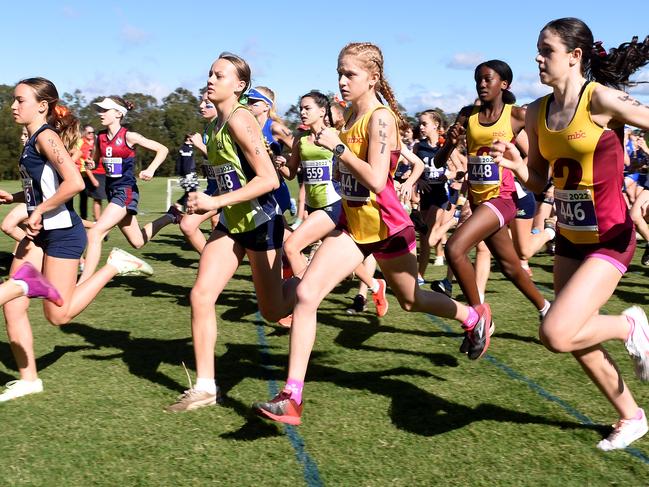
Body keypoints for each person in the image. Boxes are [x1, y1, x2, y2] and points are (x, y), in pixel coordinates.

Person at [253, 42, 491, 426]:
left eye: (351, 74)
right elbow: (345, 177)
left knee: (412, 300)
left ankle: (471, 317)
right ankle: (292, 395)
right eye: (340, 73)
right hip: (353, 227)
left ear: (372, 78)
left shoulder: (379, 118)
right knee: (307, 293)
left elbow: (378, 179)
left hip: (387, 227)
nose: (343, 81)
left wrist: (339, 149)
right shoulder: (346, 118)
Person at [491, 18, 649, 451]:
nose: (538, 58)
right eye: (538, 49)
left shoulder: (598, 99)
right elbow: (542, 179)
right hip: (571, 237)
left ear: (575, 56)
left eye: (547, 50)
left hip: (611, 236)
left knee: (557, 333)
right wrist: (516, 165)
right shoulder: (539, 111)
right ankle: (631, 416)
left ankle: (628, 325)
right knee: (576, 339)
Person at [0, 78, 153, 402]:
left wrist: (38, 210)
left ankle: (114, 265)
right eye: (13, 100)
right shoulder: (31, 140)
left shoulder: (46, 137)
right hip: (39, 233)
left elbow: (73, 183)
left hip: (61, 234)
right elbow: (43, 188)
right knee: (12, 305)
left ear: (42, 105)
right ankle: (29, 380)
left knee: (58, 315)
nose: (13, 106)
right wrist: (14, 197)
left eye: (20, 100)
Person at [165, 52, 295, 412]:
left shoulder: (241, 121)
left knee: (273, 311)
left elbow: (268, 179)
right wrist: (203, 199)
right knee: (201, 295)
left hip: (261, 222)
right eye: (210, 73)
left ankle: (309, 283)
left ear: (239, 86)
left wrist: (216, 202)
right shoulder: (213, 127)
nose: (211, 79)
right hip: (230, 224)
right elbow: (227, 178)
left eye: (219, 75)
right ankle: (206, 387)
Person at [435, 60, 551, 356]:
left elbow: (542, 153)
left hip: (503, 199)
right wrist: (449, 145)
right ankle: (545, 307)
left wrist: (522, 164)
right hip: (478, 200)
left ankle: (478, 317)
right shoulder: (467, 115)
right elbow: (438, 161)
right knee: (511, 266)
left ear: (504, 84)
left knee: (454, 248)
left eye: (488, 79)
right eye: (478, 80)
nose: (482, 84)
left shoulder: (517, 116)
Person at [78, 96, 170, 283]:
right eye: (100, 110)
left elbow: (162, 149)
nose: (100, 113)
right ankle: (171, 216)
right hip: (112, 192)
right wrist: (90, 163)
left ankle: (83, 282)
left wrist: (151, 169)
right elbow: (95, 161)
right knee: (137, 242)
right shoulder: (100, 138)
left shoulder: (130, 136)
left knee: (95, 233)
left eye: (105, 110)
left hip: (125, 192)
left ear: (119, 113)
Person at [181, 92, 220, 253]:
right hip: (213, 187)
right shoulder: (208, 128)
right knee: (189, 225)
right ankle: (213, 261)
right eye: (201, 102)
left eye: (206, 103)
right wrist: (207, 168)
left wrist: (200, 146)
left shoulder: (224, 126)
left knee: (189, 224)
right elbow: (212, 159)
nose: (201, 106)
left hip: (229, 189)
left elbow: (225, 159)